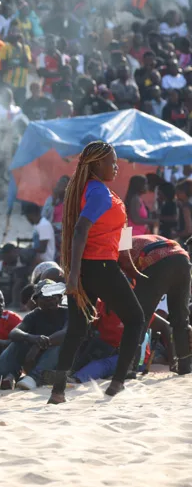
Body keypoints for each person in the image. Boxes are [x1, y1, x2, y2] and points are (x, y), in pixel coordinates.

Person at [50, 141, 145, 404]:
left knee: (78, 329)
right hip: (99, 266)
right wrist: (72, 275)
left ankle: (57, 391)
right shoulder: (100, 194)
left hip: (93, 266)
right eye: (112, 162)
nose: (116, 167)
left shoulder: (94, 191)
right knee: (136, 319)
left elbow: (119, 235)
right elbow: (81, 229)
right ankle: (118, 382)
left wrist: (128, 265)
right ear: (97, 165)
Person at [123, 235, 191, 375]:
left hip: (157, 261)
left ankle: (130, 367)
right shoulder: (140, 237)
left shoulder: (119, 243)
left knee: (139, 317)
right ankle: (185, 366)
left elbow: (127, 273)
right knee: (180, 317)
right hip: (182, 258)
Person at [0, 279, 68, 390]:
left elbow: (66, 333)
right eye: (44, 296)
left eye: (53, 295)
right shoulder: (34, 315)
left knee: (59, 344)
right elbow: (14, 332)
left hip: (63, 362)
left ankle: (34, 378)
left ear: (60, 298)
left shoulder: (67, 313)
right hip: (36, 361)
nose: (49, 299)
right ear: (36, 301)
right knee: (18, 343)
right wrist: (32, 338)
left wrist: (39, 345)